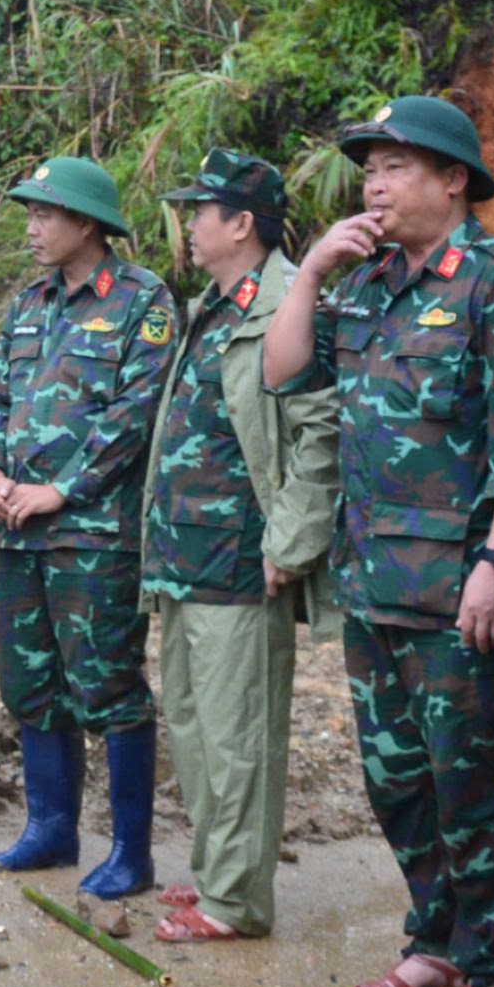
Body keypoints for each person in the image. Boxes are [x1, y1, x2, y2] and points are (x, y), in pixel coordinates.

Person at [260, 95, 494, 987]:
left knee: (472, 786)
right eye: (368, 169)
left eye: (394, 167)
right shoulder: (372, 284)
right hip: (374, 582)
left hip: (456, 593)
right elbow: (283, 373)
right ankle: (435, 943)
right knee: (396, 781)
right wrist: (309, 269)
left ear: (453, 181)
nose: (373, 185)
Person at [140, 151, 339, 945]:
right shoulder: (213, 307)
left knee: (238, 739)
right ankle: (219, 873)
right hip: (183, 559)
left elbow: (320, 428)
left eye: (200, 211)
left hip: (239, 559)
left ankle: (236, 902)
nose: (188, 225)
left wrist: (291, 540)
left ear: (242, 223)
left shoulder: (291, 301)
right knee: (191, 728)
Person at [0, 157, 174, 899]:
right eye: (28, 215)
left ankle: (130, 852)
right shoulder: (29, 303)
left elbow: (136, 411)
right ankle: (50, 829)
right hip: (18, 531)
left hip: (93, 534)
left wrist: (61, 488)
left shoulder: (142, 302)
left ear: (86, 222)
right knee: (30, 682)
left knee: (109, 685)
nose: (31, 229)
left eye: (44, 215)